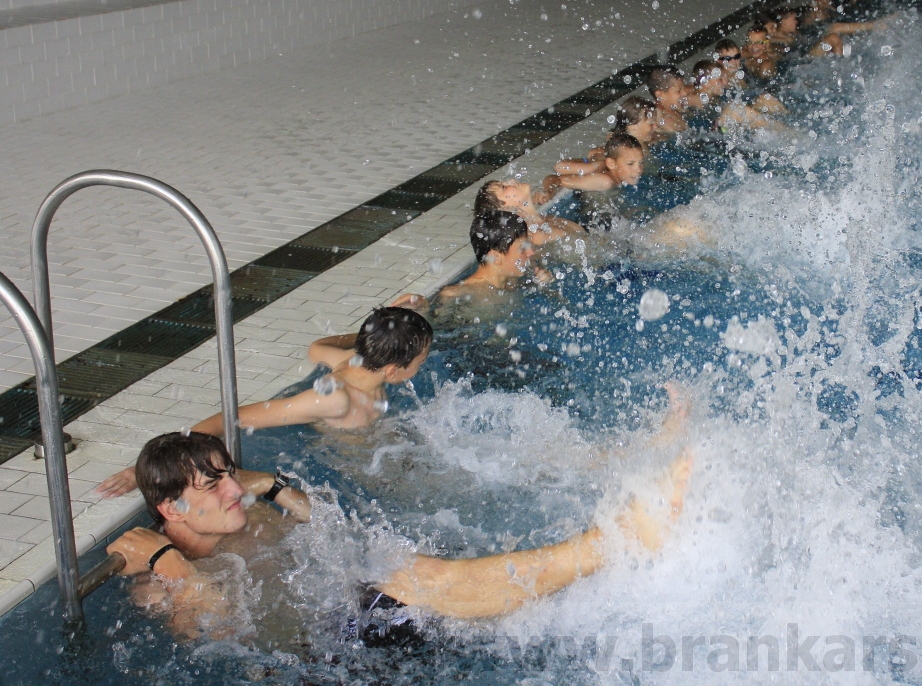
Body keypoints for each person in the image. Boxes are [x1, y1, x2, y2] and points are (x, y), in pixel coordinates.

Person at [104, 426, 692, 634]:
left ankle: (612, 561)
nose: (235, 489)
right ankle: (613, 542)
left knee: (444, 577)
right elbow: (213, 637)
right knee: (421, 576)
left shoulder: (245, 514)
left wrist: (273, 484)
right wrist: (170, 566)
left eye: (229, 474)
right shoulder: (156, 582)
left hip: (354, 616)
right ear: (171, 510)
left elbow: (322, 519)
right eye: (214, 487)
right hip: (320, 663)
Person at [96, 297, 435, 497]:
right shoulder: (335, 397)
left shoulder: (355, 362)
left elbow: (317, 348)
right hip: (358, 475)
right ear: (393, 370)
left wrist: (375, 332)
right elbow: (233, 417)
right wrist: (140, 471)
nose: (422, 366)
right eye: (420, 362)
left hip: (387, 455)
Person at [437, 210, 551, 303]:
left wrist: (544, 284)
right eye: (522, 248)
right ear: (496, 257)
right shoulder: (458, 295)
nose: (530, 252)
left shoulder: (513, 282)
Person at [552, 96, 658, 179]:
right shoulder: (620, 151)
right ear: (632, 126)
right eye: (651, 123)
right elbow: (560, 167)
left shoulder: (643, 143)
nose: (656, 127)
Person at [473, 178, 583, 246]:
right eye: (504, 187)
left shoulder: (543, 219)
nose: (511, 181)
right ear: (504, 207)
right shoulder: (534, 236)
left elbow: (553, 178)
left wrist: (548, 191)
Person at [541, 133, 645, 195]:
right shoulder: (604, 181)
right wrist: (548, 192)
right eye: (630, 164)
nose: (638, 169)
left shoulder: (618, 177)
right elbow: (556, 179)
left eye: (641, 162)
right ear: (611, 164)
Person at [646, 65, 693, 135]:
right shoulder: (659, 117)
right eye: (679, 91)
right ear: (660, 95)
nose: (685, 93)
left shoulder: (678, 109)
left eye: (683, 88)